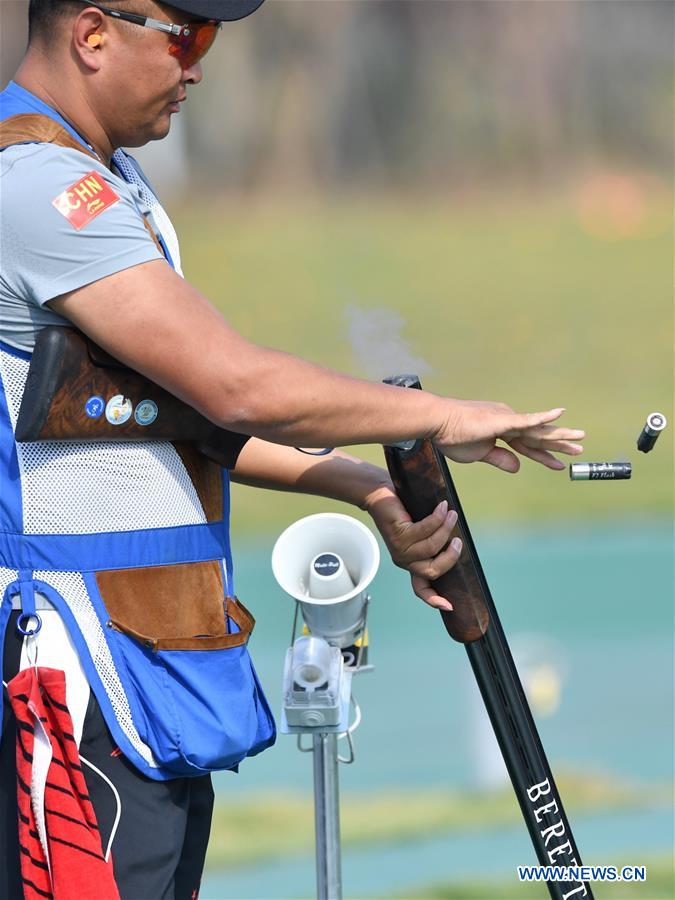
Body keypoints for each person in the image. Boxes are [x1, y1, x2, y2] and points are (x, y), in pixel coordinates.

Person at [0, 1, 585, 897]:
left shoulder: (104, 180)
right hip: (72, 685)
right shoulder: (40, 187)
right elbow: (234, 385)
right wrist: (432, 419)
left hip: (140, 675)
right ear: (92, 35)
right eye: (184, 37)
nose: (196, 67)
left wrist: (365, 486)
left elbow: (162, 415)